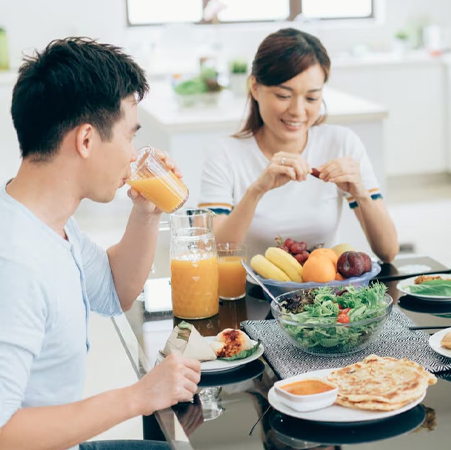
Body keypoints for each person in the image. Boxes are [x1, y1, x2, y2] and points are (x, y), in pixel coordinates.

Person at [0, 37, 201, 450]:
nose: (134, 156)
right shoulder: (15, 263)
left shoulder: (51, 223)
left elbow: (114, 291)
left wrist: (146, 210)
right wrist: (138, 397)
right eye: (129, 137)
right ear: (87, 140)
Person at [199, 28, 398, 262]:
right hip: (250, 293)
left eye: (312, 98)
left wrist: (361, 193)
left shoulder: (341, 143)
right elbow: (212, 251)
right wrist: (257, 190)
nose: (297, 111)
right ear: (254, 87)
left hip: (324, 293)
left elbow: (388, 251)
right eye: (283, 96)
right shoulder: (225, 154)